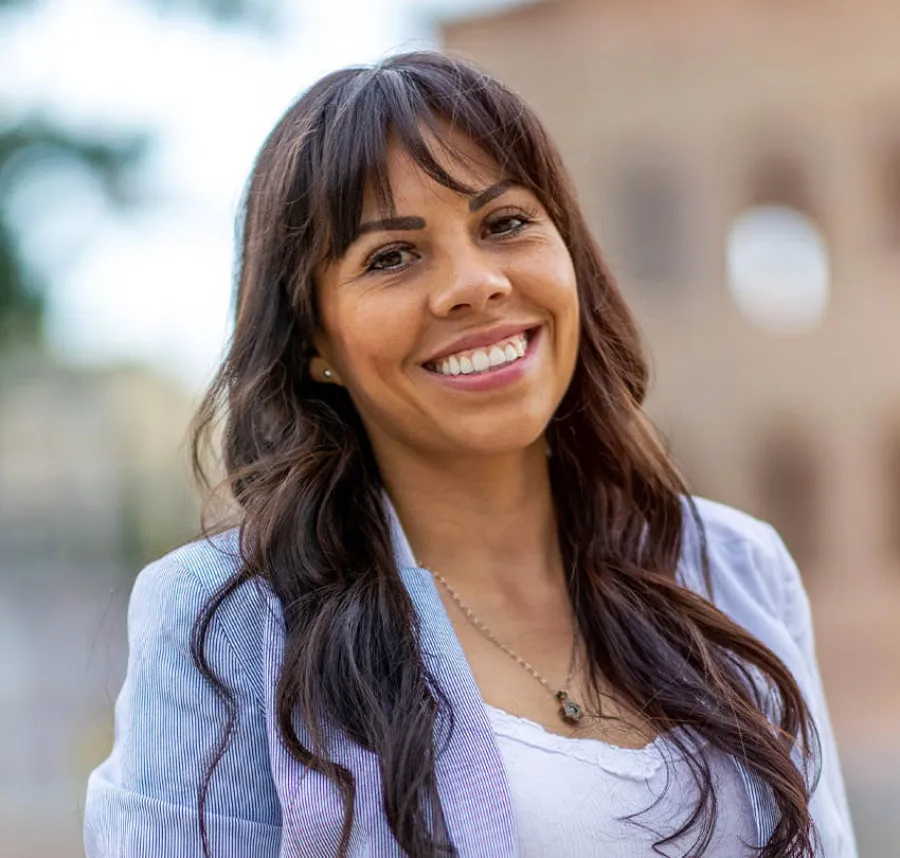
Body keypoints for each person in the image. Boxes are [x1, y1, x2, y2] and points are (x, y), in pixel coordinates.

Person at [83, 51, 857, 858]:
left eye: (505, 223)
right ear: (315, 341)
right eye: (390, 257)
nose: (474, 283)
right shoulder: (230, 621)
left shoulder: (734, 566)